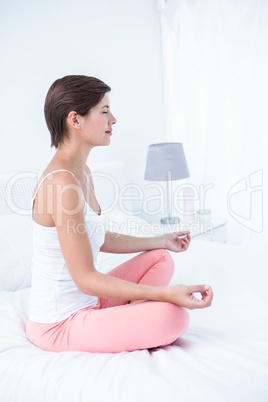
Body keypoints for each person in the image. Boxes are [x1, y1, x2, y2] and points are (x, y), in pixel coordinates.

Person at [26, 75, 213, 353]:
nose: (113, 120)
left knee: (160, 257)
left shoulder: (82, 173)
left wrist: (161, 239)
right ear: (75, 120)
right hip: (58, 324)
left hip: (88, 303)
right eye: (104, 112)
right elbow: (86, 278)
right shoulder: (61, 185)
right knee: (173, 316)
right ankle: (136, 322)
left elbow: (96, 236)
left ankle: (130, 322)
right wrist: (164, 293)